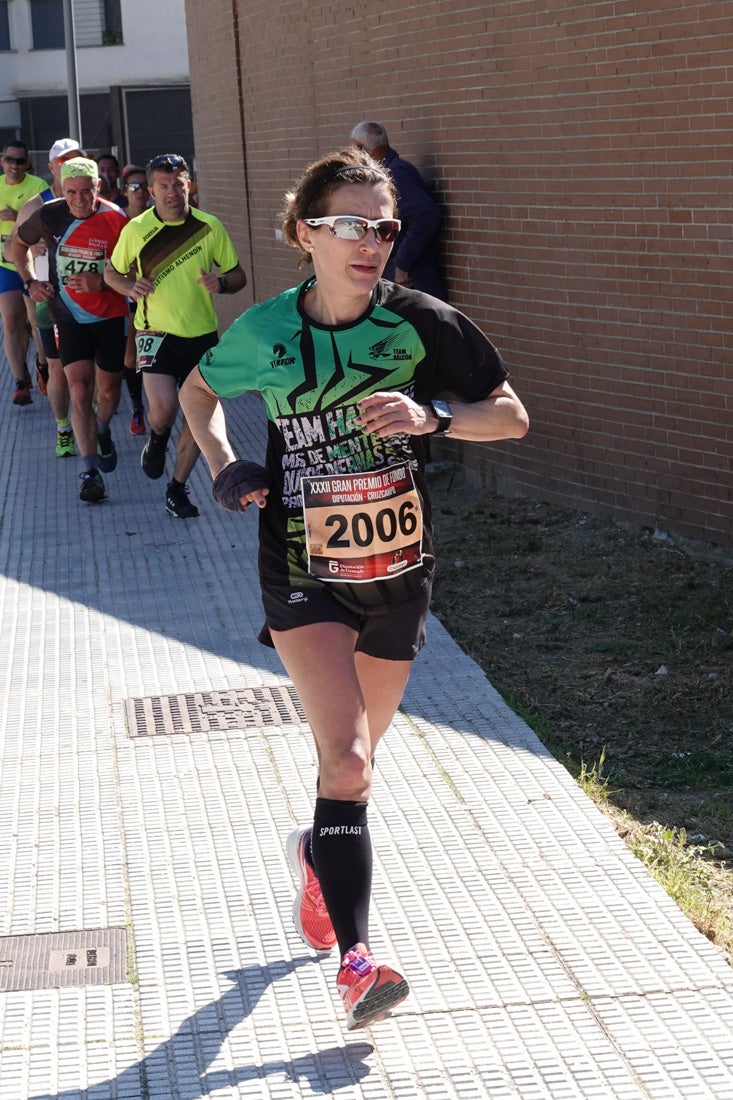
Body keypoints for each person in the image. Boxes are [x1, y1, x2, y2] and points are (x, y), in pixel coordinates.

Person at [179, 147, 529, 1030]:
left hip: (396, 568)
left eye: (383, 227)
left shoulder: (421, 323)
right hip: (299, 568)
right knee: (348, 760)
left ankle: (314, 855)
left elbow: (511, 414)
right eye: (349, 225)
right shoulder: (265, 330)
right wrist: (224, 464)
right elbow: (196, 393)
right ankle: (357, 962)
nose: (369, 242)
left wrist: (434, 415)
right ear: (305, 232)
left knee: (357, 769)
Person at [105, 153, 247, 518]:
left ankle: (177, 488)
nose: (172, 193)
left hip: (201, 336)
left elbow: (237, 275)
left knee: (198, 417)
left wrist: (222, 282)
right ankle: (156, 439)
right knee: (164, 410)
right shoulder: (136, 229)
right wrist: (128, 286)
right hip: (154, 332)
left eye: (178, 185)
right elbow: (111, 273)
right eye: (163, 186)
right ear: (151, 190)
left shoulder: (209, 226)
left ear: (189, 186)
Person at [10, 158, 130, 503]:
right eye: (71, 191)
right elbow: (15, 246)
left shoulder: (115, 219)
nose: (79, 199)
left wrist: (102, 284)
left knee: (108, 393)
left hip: (110, 315)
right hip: (68, 316)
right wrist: (31, 281)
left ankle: (103, 429)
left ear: (99, 188)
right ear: (61, 188)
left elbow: (136, 272)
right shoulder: (49, 214)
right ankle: (89, 472)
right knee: (79, 390)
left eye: (87, 191)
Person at [7, 139, 83, 456]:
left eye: (76, 161)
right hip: (50, 300)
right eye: (63, 162)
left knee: (89, 373)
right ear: (52, 167)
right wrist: (32, 249)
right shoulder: (37, 206)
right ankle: (64, 428)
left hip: (88, 300)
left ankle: (91, 422)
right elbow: (11, 249)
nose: (70, 167)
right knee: (58, 370)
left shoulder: (90, 200)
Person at [350, 121, 446, 300]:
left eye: (354, 149)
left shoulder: (396, 174)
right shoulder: (389, 173)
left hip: (413, 280)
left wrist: (402, 264)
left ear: (364, 149)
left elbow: (426, 215)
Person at [0, 140, 47, 404]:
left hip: (30, 262)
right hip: (5, 264)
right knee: (10, 321)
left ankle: (41, 364)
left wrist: (16, 214)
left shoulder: (37, 187)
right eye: (10, 160)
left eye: (20, 161)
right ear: (2, 161)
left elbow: (41, 221)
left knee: (35, 321)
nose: (15, 166)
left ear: (27, 163)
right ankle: (20, 381)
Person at [120, 164, 149, 435]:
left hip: (159, 297)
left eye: (143, 186)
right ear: (124, 191)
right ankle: (137, 407)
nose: (139, 192)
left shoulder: (160, 218)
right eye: (133, 187)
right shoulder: (118, 220)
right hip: (128, 296)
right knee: (131, 357)